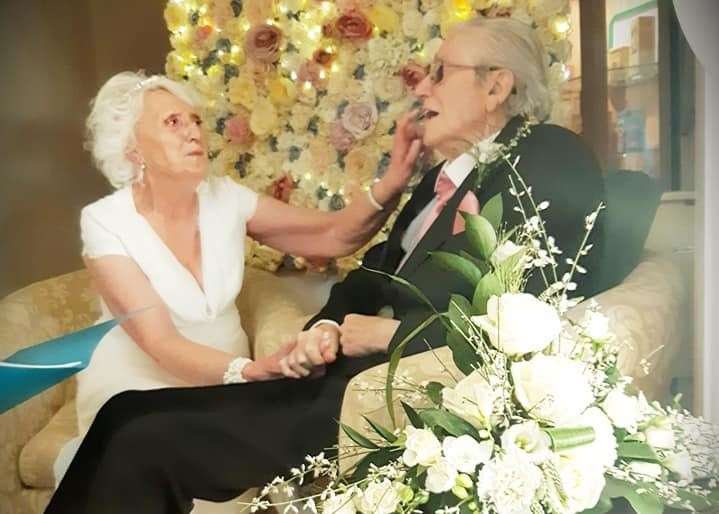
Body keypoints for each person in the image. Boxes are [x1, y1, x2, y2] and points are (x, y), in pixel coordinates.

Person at [46, 17, 607, 514]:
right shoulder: (441, 182)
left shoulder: (550, 154)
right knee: (122, 415)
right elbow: (365, 279)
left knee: (143, 442)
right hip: (325, 376)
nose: (423, 87)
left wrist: (390, 333)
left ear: (496, 85)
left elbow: (532, 319)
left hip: (376, 395)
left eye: (440, 72)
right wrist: (322, 329)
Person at [52, 71, 421, 479]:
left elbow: (333, 235)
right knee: (139, 453)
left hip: (226, 381)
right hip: (137, 381)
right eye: (173, 122)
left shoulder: (225, 197)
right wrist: (247, 370)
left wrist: (396, 179)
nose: (193, 132)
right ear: (132, 148)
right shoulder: (105, 221)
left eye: (195, 121)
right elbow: (159, 341)